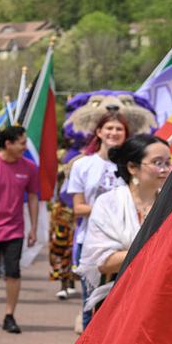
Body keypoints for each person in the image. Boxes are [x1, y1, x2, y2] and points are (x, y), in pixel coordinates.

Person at [78, 133, 172, 315]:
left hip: (162, 298)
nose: (165, 169)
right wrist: (156, 250)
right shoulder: (109, 203)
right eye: (157, 163)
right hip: (117, 299)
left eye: (168, 162)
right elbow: (103, 261)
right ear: (132, 167)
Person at [65, 112, 129, 329]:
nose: (113, 133)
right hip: (92, 241)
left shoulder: (131, 165)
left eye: (119, 129)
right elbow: (78, 208)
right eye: (109, 128)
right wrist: (109, 209)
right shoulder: (82, 165)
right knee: (90, 303)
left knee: (119, 304)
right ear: (99, 132)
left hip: (126, 242)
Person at [0, 124, 40, 333]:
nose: (25, 147)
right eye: (21, 143)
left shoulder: (30, 167)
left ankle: (9, 315)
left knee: (13, 272)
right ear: (8, 144)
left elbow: (32, 197)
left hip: (14, 230)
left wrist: (33, 228)